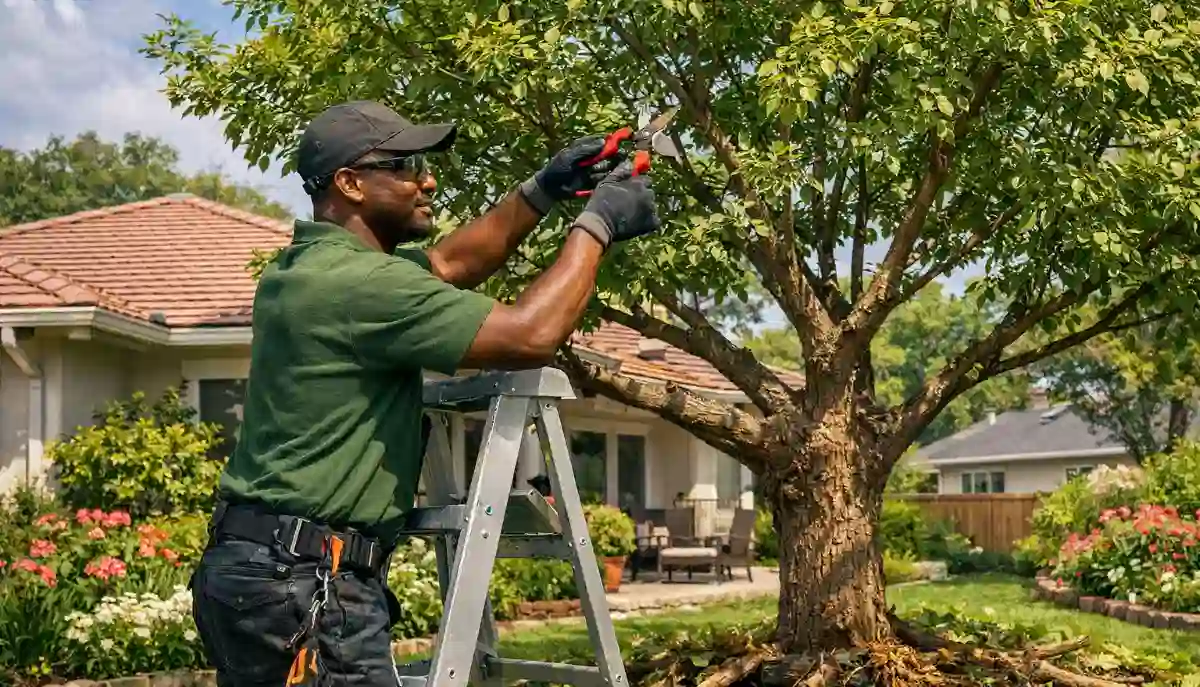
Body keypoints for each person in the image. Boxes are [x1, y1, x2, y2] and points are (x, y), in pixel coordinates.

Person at [188, 100, 662, 687]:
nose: (427, 178)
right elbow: (530, 334)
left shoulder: (308, 269)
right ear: (350, 183)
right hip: (306, 579)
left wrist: (543, 188)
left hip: (256, 570)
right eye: (406, 164)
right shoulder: (361, 286)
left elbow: (449, 263)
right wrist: (598, 224)